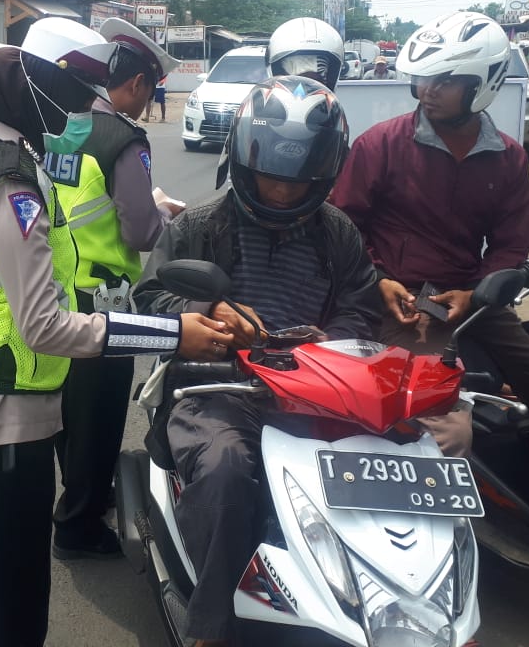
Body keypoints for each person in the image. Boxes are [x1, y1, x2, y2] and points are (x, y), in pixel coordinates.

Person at [0, 18, 230, 647]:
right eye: (74, 95)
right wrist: (170, 334)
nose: (84, 111)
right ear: (37, 87)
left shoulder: (17, 165)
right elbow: (44, 325)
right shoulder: (13, 189)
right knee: (14, 600)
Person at [134, 77, 383, 647]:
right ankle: (211, 624)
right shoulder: (196, 225)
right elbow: (148, 301)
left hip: (315, 390)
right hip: (217, 388)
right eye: (270, 176)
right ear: (244, 161)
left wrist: (326, 344)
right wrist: (207, 312)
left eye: (297, 182)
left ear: (322, 176)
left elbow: (361, 310)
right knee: (225, 468)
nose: (280, 191)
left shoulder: (338, 233)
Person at [331, 11, 529, 456]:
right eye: (425, 79)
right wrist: (378, 280)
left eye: (444, 81)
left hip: (473, 296)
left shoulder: (507, 158)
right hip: (405, 297)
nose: (427, 91)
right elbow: (342, 226)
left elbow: (512, 243)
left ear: (482, 84)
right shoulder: (381, 145)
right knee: (441, 424)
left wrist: (479, 294)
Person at [49, 16, 185, 560]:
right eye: (149, 91)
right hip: (103, 303)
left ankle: (79, 495)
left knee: (67, 415)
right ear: (136, 85)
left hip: (58, 292)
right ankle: (78, 527)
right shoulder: (126, 139)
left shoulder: (68, 126)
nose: (147, 103)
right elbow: (140, 231)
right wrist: (164, 212)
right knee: (100, 419)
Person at [266, 16, 345, 90]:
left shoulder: (332, 103)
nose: (306, 85)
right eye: (299, 77)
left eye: (317, 79)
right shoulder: (267, 102)